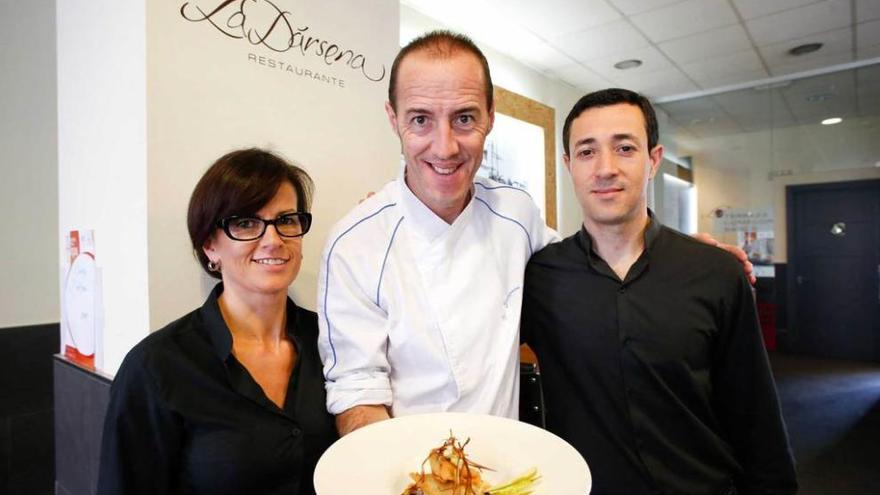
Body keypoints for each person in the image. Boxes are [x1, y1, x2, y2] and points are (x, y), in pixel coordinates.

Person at [317, 30, 753, 437]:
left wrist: (678, 254)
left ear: (491, 118)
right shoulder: (354, 244)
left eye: (465, 118)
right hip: (406, 472)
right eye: (420, 120)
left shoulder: (515, 211)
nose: (445, 146)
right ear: (393, 120)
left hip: (508, 465)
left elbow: (589, 263)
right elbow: (356, 392)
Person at [521, 89, 797, 495]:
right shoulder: (540, 277)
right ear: (568, 165)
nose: (605, 168)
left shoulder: (715, 273)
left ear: (653, 159)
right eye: (586, 152)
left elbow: (756, 418)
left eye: (625, 148)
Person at [97, 149, 337, 495]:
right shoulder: (157, 367)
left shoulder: (332, 340)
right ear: (210, 245)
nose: (273, 239)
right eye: (245, 223)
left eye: (286, 220)